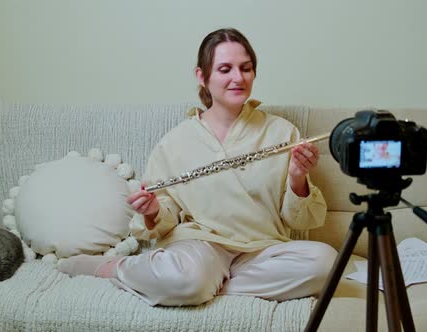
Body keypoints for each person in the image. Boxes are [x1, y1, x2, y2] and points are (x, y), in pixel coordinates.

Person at [59, 28, 337, 306]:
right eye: (225, 69)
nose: (238, 78)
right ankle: (116, 268)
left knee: (326, 263)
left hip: (261, 251)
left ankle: (202, 286)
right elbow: (163, 219)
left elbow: (301, 221)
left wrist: (298, 178)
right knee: (189, 276)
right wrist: (154, 210)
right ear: (201, 76)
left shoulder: (282, 132)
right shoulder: (174, 142)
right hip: (201, 247)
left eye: (246, 68)